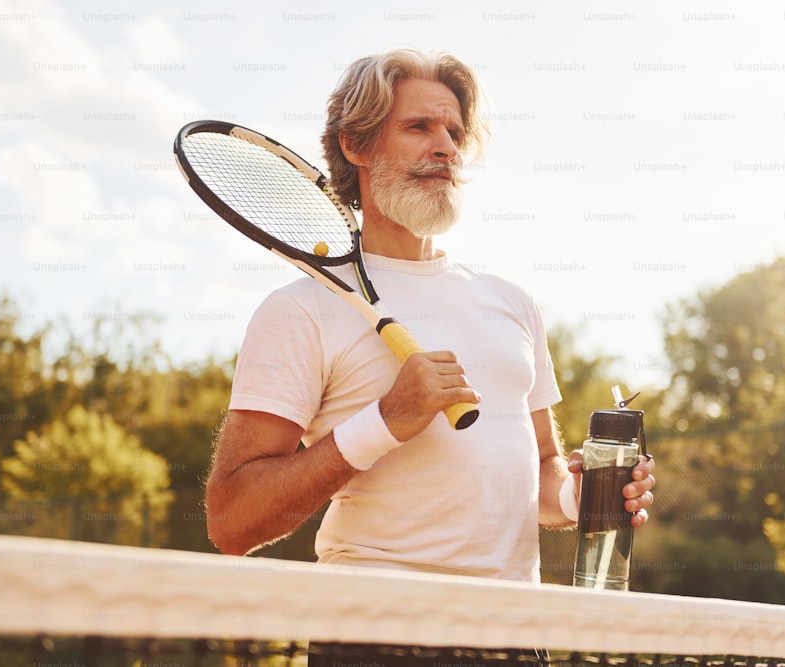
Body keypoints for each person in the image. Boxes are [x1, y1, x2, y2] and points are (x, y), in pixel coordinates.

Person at [204, 48, 656, 665]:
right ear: (357, 146)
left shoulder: (512, 302)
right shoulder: (298, 310)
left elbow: (544, 471)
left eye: (454, 132)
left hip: (516, 640)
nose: (445, 146)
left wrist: (585, 498)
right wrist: (384, 422)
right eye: (419, 127)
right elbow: (233, 520)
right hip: (375, 637)